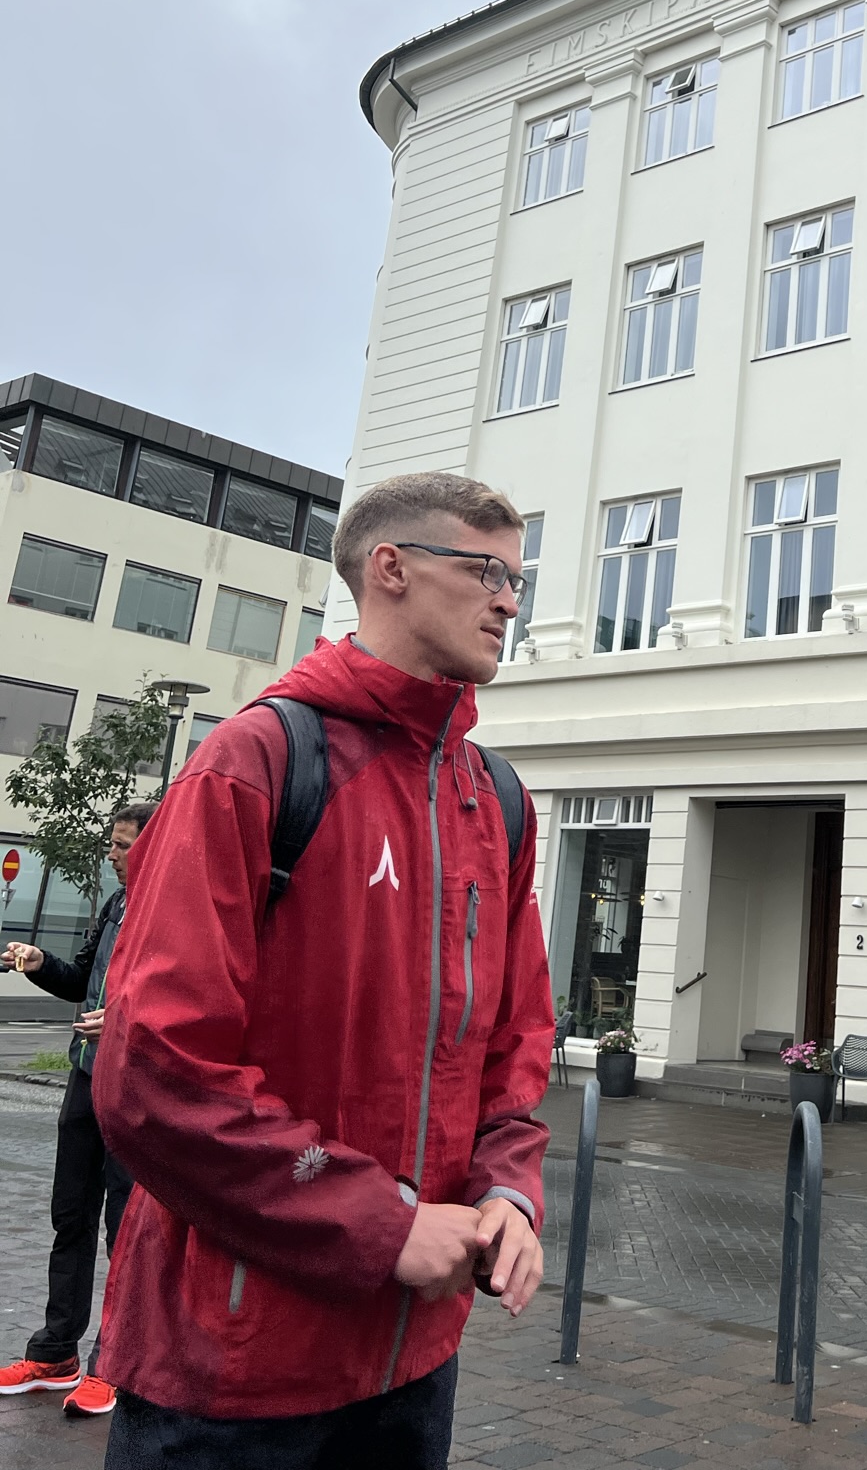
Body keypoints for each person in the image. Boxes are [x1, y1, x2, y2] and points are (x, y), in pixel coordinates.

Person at [91, 471, 554, 1469]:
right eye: (488, 572)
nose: (510, 602)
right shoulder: (252, 762)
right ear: (390, 568)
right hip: (232, 1377)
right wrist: (379, 1223)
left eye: (520, 579)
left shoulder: (499, 801)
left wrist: (508, 1192)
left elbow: (515, 1044)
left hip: (413, 1365)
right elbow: (153, 1073)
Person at [0, 801, 156, 1418]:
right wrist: (41, 965)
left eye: (122, 845)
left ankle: (114, 1365)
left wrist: (125, 1022)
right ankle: (55, 1352)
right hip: (84, 1082)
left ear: (154, 845)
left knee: (125, 1230)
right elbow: (81, 979)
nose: (111, 854)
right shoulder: (116, 905)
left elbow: (190, 1001)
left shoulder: (175, 909)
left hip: (134, 1091)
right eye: (111, 843)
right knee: (70, 1217)